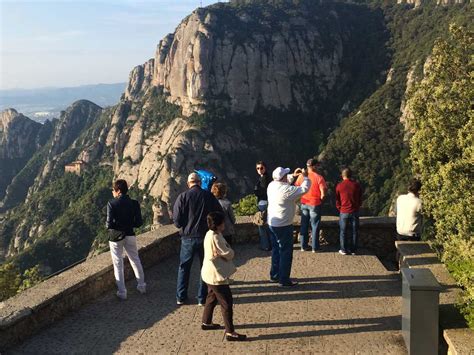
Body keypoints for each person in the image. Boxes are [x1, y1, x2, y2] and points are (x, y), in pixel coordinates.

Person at [173, 172, 223, 306]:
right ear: (200, 182)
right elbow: (219, 214)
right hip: (205, 237)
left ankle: (181, 297)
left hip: (187, 238)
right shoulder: (209, 196)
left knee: (184, 267)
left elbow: (177, 222)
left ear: (188, 183)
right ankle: (202, 298)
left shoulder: (182, 197)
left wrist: (185, 224)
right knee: (204, 267)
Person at [201, 211, 246, 341]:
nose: (225, 224)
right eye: (223, 222)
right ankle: (230, 332)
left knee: (211, 297)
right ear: (219, 224)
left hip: (208, 273)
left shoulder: (209, 234)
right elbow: (229, 254)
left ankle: (206, 322)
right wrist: (230, 250)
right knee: (226, 303)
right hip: (217, 276)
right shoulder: (216, 237)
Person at [267, 166, 311, 287]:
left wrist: (294, 175)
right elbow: (304, 189)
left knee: (276, 250)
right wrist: (305, 177)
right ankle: (284, 279)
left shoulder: (271, 185)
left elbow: (283, 181)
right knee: (286, 252)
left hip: (272, 223)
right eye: (286, 175)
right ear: (283, 178)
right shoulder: (287, 190)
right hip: (284, 225)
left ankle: (274, 275)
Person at [106, 179, 146, 300]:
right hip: (130, 234)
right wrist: (128, 225)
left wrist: (118, 226)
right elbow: (139, 223)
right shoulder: (134, 203)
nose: (112, 192)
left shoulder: (111, 203)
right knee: (135, 260)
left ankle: (122, 292)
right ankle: (142, 286)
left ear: (118, 191)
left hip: (115, 237)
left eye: (113, 190)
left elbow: (108, 224)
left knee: (118, 264)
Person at [295, 158, 327, 252]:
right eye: (317, 165)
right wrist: (320, 200)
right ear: (314, 166)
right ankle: (315, 247)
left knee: (304, 224)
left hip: (304, 203)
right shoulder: (319, 177)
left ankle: (303, 246)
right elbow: (323, 193)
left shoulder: (301, 177)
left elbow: (297, 188)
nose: (318, 167)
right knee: (315, 225)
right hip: (314, 203)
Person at [335, 168, 363, 255]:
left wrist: (340, 208)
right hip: (354, 211)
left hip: (344, 211)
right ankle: (353, 250)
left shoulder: (339, 186)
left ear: (342, 176)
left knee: (343, 231)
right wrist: (357, 206)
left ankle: (343, 249)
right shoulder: (357, 185)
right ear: (351, 175)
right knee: (354, 231)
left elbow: (337, 199)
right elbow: (360, 198)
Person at [254, 160, 272, 251]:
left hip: (263, 204)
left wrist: (256, 191)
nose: (259, 170)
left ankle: (265, 245)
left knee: (261, 226)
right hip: (266, 203)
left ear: (265, 168)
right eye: (258, 168)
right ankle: (270, 244)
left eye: (261, 168)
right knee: (267, 225)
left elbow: (263, 192)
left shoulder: (264, 179)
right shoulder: (265, 177)